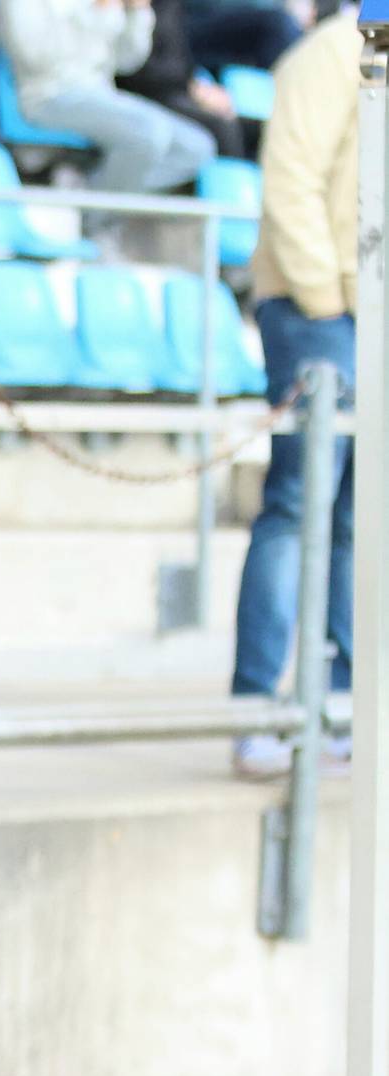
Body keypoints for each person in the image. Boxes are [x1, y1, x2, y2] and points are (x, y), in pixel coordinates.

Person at [230, 9, 358, 779]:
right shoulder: (332, 54)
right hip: (324, 318)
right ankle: (254, 710)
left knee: (355, 519)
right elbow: (292, 180)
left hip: (361, 316)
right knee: (297, 506)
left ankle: (342, 707)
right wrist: (327, 302)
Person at [0, 0, 216, 194]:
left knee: (197, 148)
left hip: (102, 95)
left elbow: (127, 61)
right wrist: (94, 12)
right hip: (48, 96)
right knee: (149, 134)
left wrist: (136, 13)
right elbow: (35, 58)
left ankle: (85, 190)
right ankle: (95, 219)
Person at [119, 0, 245, 159]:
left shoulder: (169, 5)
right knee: (222, 128)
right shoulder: (131, 7)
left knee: (251, 126)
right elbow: (131, 70)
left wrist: (197, 84)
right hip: (144, 92)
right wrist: (191, 90)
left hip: (174, 86)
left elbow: (180, 54)